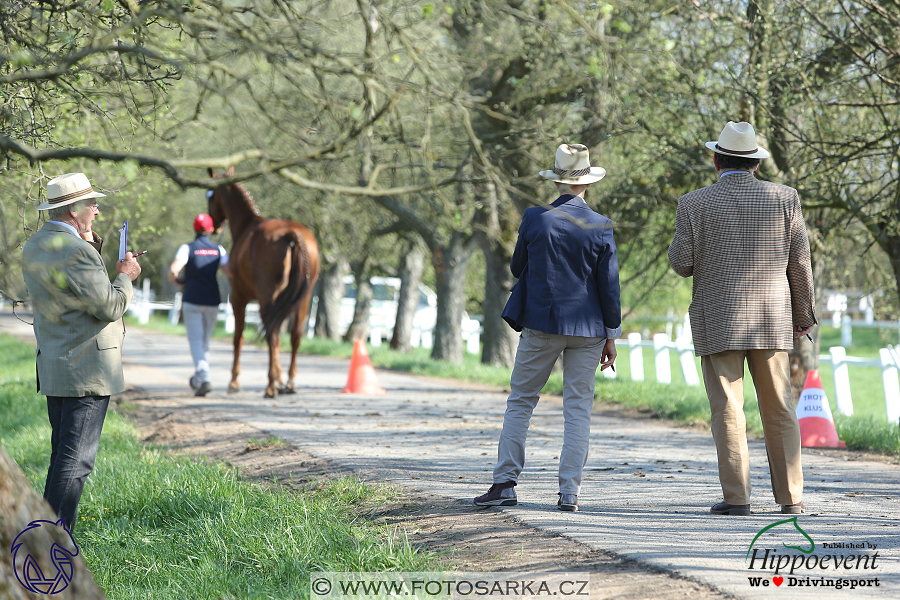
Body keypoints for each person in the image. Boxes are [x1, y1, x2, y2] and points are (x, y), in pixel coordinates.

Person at [668, 121, 816, 516]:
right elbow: (799, 262)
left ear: (716, 160)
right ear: (755, 163)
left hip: (718, 319)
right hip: (771, 320)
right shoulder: (785, 198)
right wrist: (803, 314)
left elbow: (682, 264)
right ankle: (792, 498)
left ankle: (737, 499)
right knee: (780, 408)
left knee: (728, 410)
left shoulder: (693, 203)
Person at [474, 143, 621, 512]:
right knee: (577, 409)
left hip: (542, 323)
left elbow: (517, 267)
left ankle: (505, 483)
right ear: (587, 184)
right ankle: (569, 493)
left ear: (557, 181)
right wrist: (611, 335)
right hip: (589, 330)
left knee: (521, 402)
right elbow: (609, 285)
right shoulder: (601, 225)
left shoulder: (535, 218)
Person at [22, 172, 142, 532]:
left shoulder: (37, 245)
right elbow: (108, 305)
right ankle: (50, 549)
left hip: (57, 366)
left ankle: (43, 544)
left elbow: (76, 293)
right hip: (86, 369)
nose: (97, 211)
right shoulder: (76, 251)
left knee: (62, 459)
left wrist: (91, 245)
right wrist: (126, 276)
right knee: (76, 464)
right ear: (74, 210)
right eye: (92, 204)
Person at [168, 214, 231, 397]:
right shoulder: (219, 249)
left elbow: (173, 270)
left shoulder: (187, 248)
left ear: (195, 229)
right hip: (212, 300)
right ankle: (198, 378)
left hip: (192, 299)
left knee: (196, 341)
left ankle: (204, 378)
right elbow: (230, 272)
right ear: (211, 230)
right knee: (204, 342)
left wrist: (175, 280)